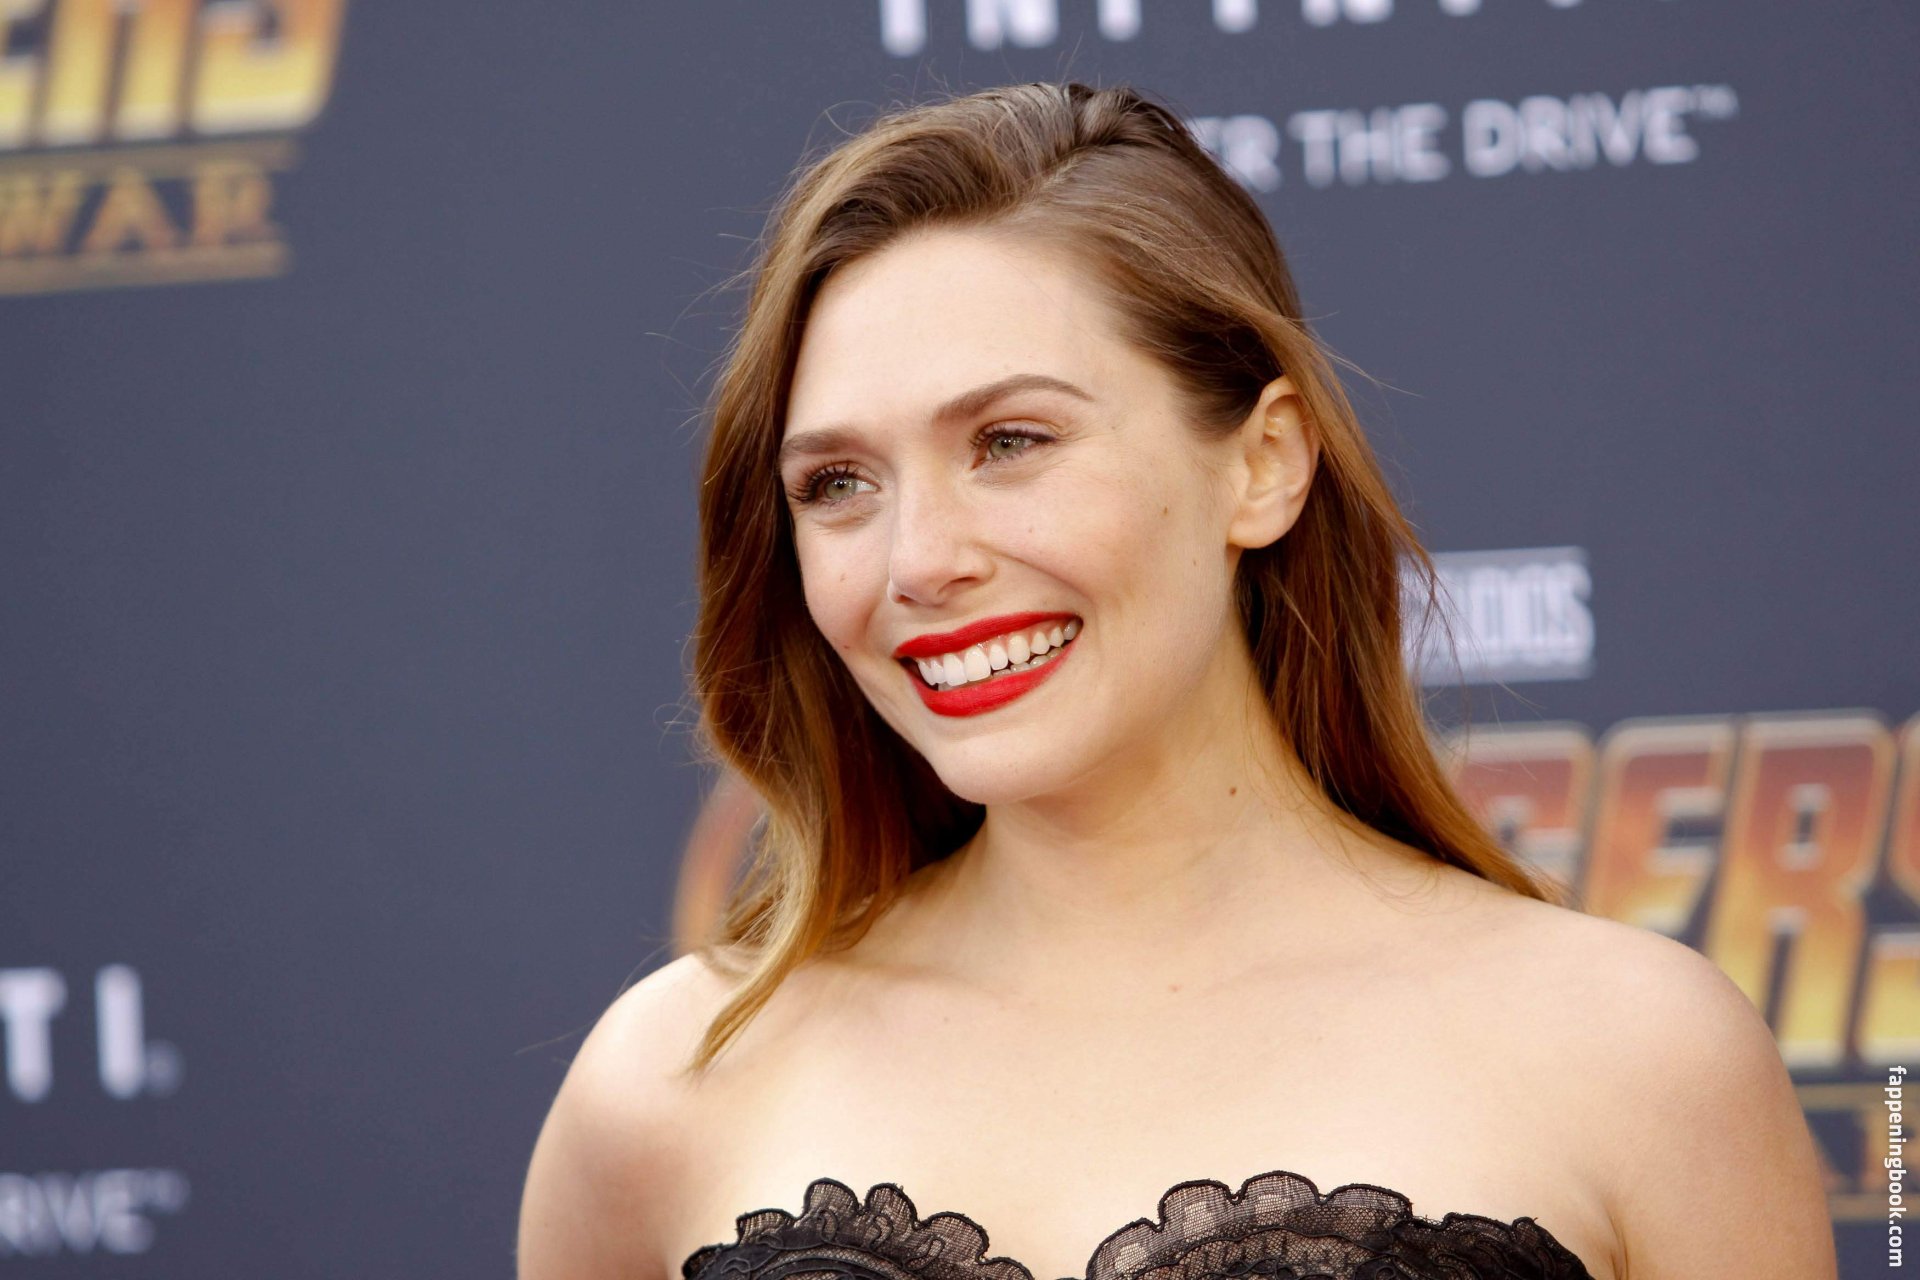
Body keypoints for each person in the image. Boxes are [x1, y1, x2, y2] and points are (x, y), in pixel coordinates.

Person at [516, 81, 1834, 1280]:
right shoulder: (668, 1085)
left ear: (1263, 463)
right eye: (839, 483)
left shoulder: (1635, 1057)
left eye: (1010, 441)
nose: (917, 560)